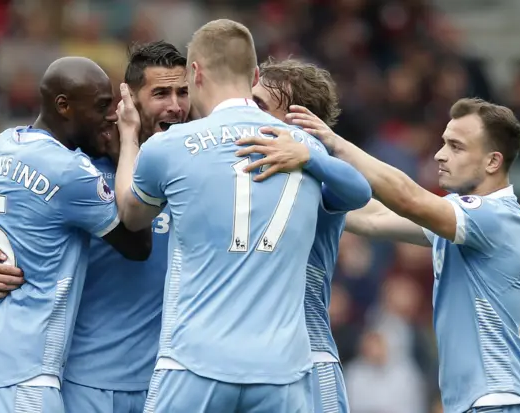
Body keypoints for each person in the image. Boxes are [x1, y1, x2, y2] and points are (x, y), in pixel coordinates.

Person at [114, 19, 371, 413]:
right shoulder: (297, 145)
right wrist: (313, 157)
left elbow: (131, 216)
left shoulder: (169, 146)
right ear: (254, 75)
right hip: (282, 371)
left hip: (193, 364)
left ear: (195, 73)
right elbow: (359, 191)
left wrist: (130, 137)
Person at [238, 99, 520, 413]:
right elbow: (374, 217)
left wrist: (329, 146)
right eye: (443, 143)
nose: (440, 155)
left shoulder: (497, 217)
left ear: (493, 162)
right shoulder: (463, 220)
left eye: (456, 147)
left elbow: (408, 197)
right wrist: (296, 186)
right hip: (482, 403)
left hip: (503, 401)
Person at [0, 42, 189, 413]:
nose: (175, 106)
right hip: (85, 380)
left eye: (183, 93)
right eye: (161, 93)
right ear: (127, 101)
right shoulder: (83, 164)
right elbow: (3, 221)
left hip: (169, 378)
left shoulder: (197, 165)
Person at [252, 58, 351, 413]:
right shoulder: (239, 173)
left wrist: (311, 153)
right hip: (248, 363)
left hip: (310, 359)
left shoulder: (322, 180)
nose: (247, 111)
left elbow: (358, 188)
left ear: (296, 121)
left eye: (260, 105)